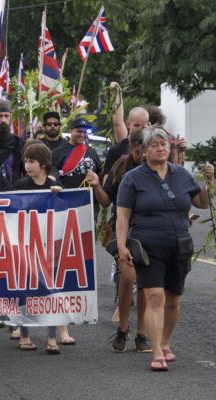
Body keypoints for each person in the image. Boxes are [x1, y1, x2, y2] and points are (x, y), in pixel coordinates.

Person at [116, 125, 213, 371]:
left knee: (173, 298)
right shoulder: (133, 178)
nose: (160, 149)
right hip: (148, 246)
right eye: (154, 145)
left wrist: (209, 182)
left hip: (179, 244)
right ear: (143, 151)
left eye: (164, 145)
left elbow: (202, 202)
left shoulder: (181, 174)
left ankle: (166, 342)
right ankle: (156, 351)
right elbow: (123, 217)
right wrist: (121, 245)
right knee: (154, 296)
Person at [84, 129, 151, 352]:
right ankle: (123, 327)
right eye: (137, 150)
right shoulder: (121, 166)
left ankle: (142, 333)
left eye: (145, 149)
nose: (141, 154)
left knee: (145, 282)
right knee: (128, 275)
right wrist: (96, 185)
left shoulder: (159, 168)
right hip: (123, 230)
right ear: (130, 148)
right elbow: (105, 202)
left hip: (151, 230)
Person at [12, 141, 64, 354]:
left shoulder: (53, 185)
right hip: (25, 243)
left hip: (47, 245)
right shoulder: (20, 186)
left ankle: (52, 338)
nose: (27, 165)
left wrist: (59, 194)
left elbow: (64, 210)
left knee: (50, 289)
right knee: (24, 289)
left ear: (43, 164)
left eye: (31, 161)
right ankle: (24, 335)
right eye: (25, 160)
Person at [51, 117, 102, 189]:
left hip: (89, 196)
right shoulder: (58, 152)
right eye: (79, 131)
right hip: (66, 196)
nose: (82, 135)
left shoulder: (92, 152)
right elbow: (52, 174)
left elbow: (99, 173)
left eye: (85, 132)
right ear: (71, 131)